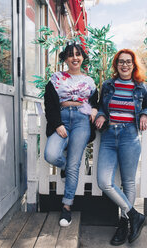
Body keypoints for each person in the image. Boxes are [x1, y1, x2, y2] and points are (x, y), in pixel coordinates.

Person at [95, 49, 147, 245]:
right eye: (121, 62)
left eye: (128, 62)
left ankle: (124, 224)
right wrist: (101, 114)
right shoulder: (108, 85)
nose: (125, 65)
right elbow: (102, 106)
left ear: (133, 65)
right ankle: (135, 215)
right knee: (104, 181)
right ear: (116, 64)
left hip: (129, 136)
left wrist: (145, 114)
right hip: (109, 137)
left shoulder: (140, 87)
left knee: (128, 182)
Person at [44, 41, 98, 227]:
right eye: (71, 54)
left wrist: (94, 110)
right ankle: (66, 166)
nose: (75, 57)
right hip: (63, 119)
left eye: (78, 54)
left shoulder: (89, 81)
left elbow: (95, 102)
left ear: (82, 57)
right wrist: (57, 123)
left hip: (82, 121)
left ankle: (66, 207)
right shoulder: (56, 78)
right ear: (65, 59)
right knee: (51, 154)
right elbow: (49, 104)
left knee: (75, 165)